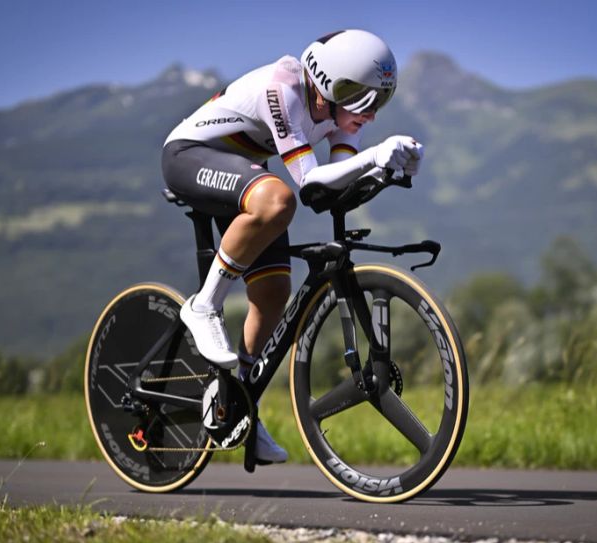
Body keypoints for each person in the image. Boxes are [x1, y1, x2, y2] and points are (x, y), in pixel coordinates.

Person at [161, 29, 423, 464]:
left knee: (273, 293)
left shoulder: (340, 117)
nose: (370, 115)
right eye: (362, 99)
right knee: (277, 198)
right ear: (327, 85)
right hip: (188, 156)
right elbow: (308, 183)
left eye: (379, 101)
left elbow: (337, 181)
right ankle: (203, 305)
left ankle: (239, 400)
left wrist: (389, 168)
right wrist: (376, 155)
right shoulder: (283, 88)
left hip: (240, 172)